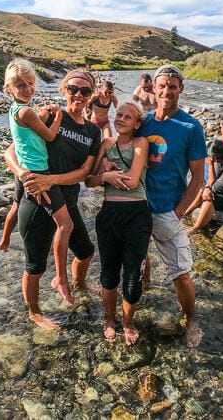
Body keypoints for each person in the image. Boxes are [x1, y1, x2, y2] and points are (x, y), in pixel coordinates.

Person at [115, 64, 207, 348]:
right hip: (138, 206)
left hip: (168, 209)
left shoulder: (191, 127)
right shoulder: (145, 122)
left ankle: (191, 318)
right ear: (153, 88)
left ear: (181, 89)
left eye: (173, 86)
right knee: (137, 261)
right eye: (162, 86)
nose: (167, 91)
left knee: (180, 272)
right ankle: (145, 284)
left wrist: (179, 212)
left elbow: (198, 179)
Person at [2, 69, 102, 330]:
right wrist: (23, 174)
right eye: (73, 89)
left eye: (85, 91)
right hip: (37, 201)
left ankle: (78, 285)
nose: (78, 95)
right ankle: (34, 312)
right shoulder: (48, 115)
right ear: (64, 91)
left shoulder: (93, 131)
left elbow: (83, 172)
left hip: (66, 199)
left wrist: (52, 180)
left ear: (92, 96)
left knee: (86, 252)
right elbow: (11, 151)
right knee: (35, 265)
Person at [1, 59, 74, 305]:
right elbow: (50, 135)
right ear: (9, 87)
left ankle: (5, 240)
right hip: (38, 174)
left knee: (16, 206)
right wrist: (59, 116)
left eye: (30, 84)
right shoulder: (25, 111)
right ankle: (60, 279)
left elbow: (32, 128)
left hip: (27, 171)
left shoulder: (17, 110)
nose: (27, 89)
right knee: (65, 225)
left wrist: (43, 113)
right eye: (20, 85)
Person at [85, 102, 150, 345]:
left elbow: (133, 182)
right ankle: (110, 318)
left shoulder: (140, 143)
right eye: (118, 115)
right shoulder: (106, 144)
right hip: (109, 213)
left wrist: (110, 176)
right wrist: (106, 176)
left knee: (133, 278)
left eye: (127, 117)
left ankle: (128, 321)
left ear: (137, 124)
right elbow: (89, 181)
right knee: (109, 273)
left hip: (137, 215)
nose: (120, 119)